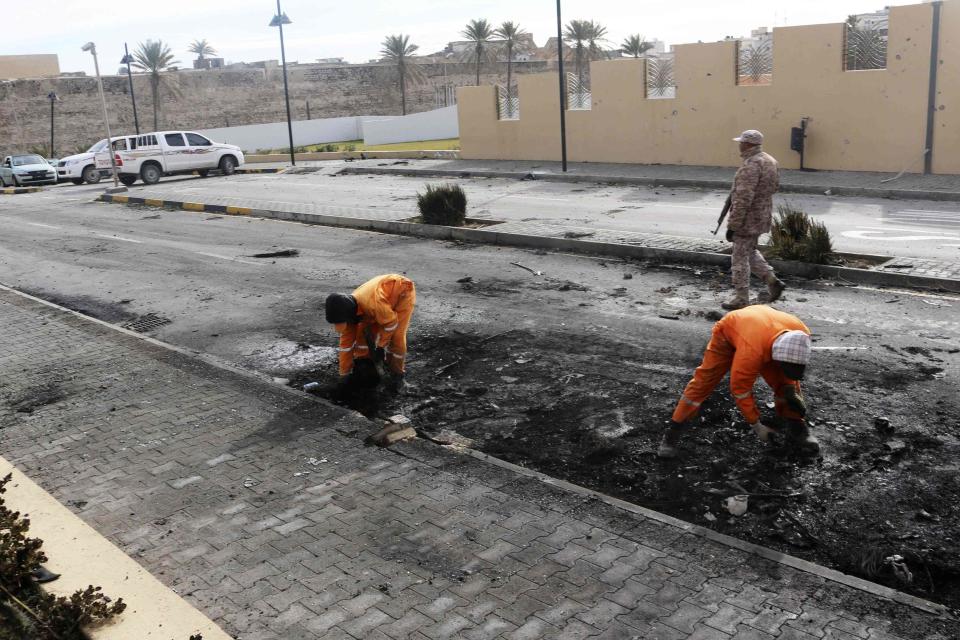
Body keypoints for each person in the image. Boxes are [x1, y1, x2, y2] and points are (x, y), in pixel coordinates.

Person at [657, 305, 819, 458]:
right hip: (731, 329)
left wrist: (792, 393)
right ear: (773, 357)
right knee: (704, 381)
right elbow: (740, 390)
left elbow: (790, 377)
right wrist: (756, 425)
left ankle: (797, 427)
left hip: (761, 326)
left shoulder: (802, 334)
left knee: (787, 385)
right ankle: (673, 433)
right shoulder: (752, 353)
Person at [723, 129, 786, 311]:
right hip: (762, 215)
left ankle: (741, 297)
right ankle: (771, 281)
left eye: (741, 142)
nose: (739, 145)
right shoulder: (770, 161)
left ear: (748, 144)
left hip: (747, 219)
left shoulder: (751, 164)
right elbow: (774, 187)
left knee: (739, 258)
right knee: (749, 251)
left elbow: (743, 198)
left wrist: (733, 225)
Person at [325, 274, 416, 390]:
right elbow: (346, 346)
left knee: (396, 337)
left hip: (401, 291)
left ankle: (398, 375)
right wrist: (344, 375)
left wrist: (381, 346)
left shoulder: (373, 305)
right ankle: (365, 362)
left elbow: (390, 324)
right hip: (380, 302)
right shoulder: (346, 313)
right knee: (361, 334)